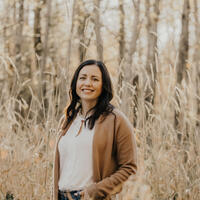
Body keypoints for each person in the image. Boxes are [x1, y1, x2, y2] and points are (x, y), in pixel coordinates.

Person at [52, 60, 137, 200]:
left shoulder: (116, 120)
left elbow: (130, 168)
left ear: (104, 85)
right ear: (75, 83)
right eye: (83, 78)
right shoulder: (68, 119)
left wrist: (97, 190)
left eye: (95, 79)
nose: (87, 83)